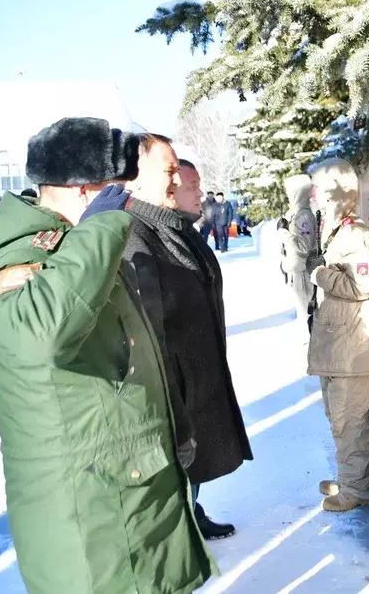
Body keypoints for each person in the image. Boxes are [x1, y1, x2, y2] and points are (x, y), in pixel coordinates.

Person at [0, 117, 217, 593]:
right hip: (90, 500)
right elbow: (43, 334)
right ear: (86, 191)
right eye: (114, 188)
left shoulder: (77, 241)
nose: (124, 199)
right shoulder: (22, 254)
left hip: (126, 481)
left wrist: (175, 424)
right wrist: (98, 230)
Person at [124, 139, 252, 540]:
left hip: (196, 365)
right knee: (180, 454)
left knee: (195, 456)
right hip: (173, 376)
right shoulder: (136, 234)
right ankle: (177, 528)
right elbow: (144, 321)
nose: (190, 187)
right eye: (177, 175)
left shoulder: (178, 228)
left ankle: (190, 510)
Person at [305, 159, 369, 512]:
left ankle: (358, 489)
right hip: (340, 347)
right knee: (338, 417)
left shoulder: (353, 235)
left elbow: (361, 283)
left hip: (352, 349)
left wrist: (320, 275)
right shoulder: (339, 232)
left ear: (333, 194)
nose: (314, 198)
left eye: (319, 191)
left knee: (348, 420)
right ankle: (350, 477)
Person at [278, 174, 319, 334]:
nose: (287, 195)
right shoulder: (296, 213)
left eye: (290, 191)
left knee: (309, 316)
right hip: (297, 271)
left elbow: (302, 247)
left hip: (303, 273)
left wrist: (284, 234)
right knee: (305, 317)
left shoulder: (304, 216)